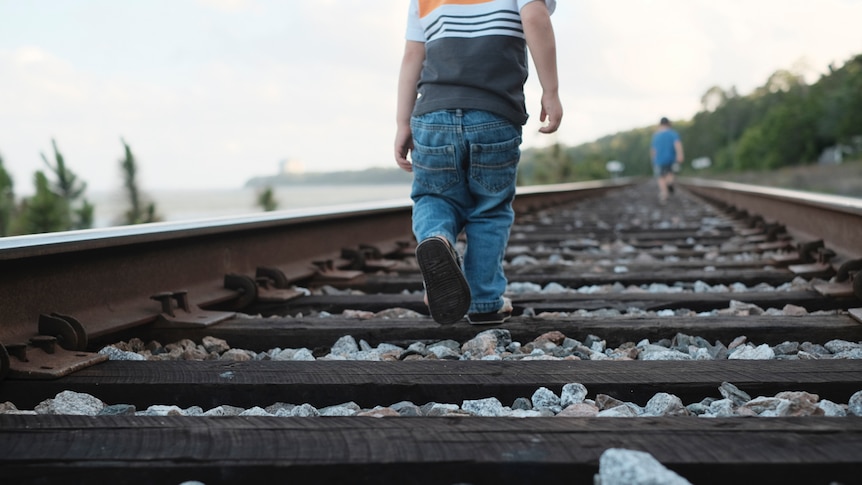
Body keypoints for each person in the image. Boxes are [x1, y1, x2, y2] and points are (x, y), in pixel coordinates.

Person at [394, 0, 562, 325]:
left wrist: (403, 123)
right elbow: (536, 17)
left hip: (432, 116)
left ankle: (438, 238)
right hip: (494, 113)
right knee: (489, 210)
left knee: (433, 197)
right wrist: (550, 90)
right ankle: (484, 301)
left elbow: (413, 55)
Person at [650, 117, 684, 203]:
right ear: (668, 124)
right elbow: (677, 144)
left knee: (661, 177)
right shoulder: (673, 133)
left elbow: (653, 150)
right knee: (670, 173)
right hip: (671, 158)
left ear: (660, 124)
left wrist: (653, 160)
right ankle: (669, 183)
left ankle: (664, 194)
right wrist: (680, 155)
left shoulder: (656, 136)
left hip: (659, 160)